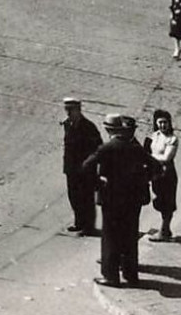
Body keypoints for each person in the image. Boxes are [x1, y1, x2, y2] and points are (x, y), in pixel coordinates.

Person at [84, 113, 156, 286]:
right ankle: (131, 276)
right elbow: (156, 166)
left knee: (110, 237)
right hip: (132, 200)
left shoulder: (106, 148)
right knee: (130, 238)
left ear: (108, 129)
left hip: (111, 199)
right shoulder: (136, 148)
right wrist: (142, 179)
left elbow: (87, 166)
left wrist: (98, 183)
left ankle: (111, 276)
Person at [61, 98, 102, 236]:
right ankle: (79, 222)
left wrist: (89, 163)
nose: (68, 113)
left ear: (78, 109)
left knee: (86, 197)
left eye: (70, 110)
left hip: (85, 169)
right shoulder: (68, 124)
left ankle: (89, 226)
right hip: (71, 168)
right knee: (74, 196)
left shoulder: (88, 127)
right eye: (66, 109)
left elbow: (98, 148)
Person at [146, 109, 179, 241]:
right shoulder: (154, 136)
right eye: (159, 122)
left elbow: (166, 158)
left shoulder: (172, 139)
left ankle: (164, 231)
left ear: (169, 123)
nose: (162, 125)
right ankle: (166, 229)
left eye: (165, 122)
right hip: (156, 174)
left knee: (168, 203)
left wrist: (148, 157)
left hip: (167, 175)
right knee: (159, 201)